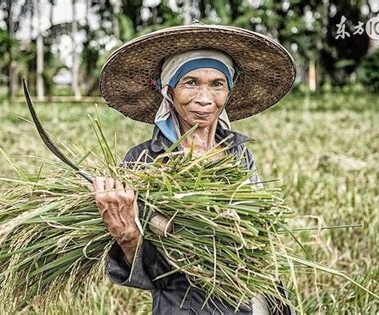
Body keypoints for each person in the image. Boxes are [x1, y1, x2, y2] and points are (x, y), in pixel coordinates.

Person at [88, 23, 296, 315]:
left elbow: (262, 241)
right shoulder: (144, 162)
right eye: (190, 82)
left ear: (229, 90)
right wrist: (127, 235)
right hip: (187, 307)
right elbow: (151, 274)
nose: (204, 99)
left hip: (254, 302)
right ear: (168, 90)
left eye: (217, 84)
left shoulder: (238, 154)